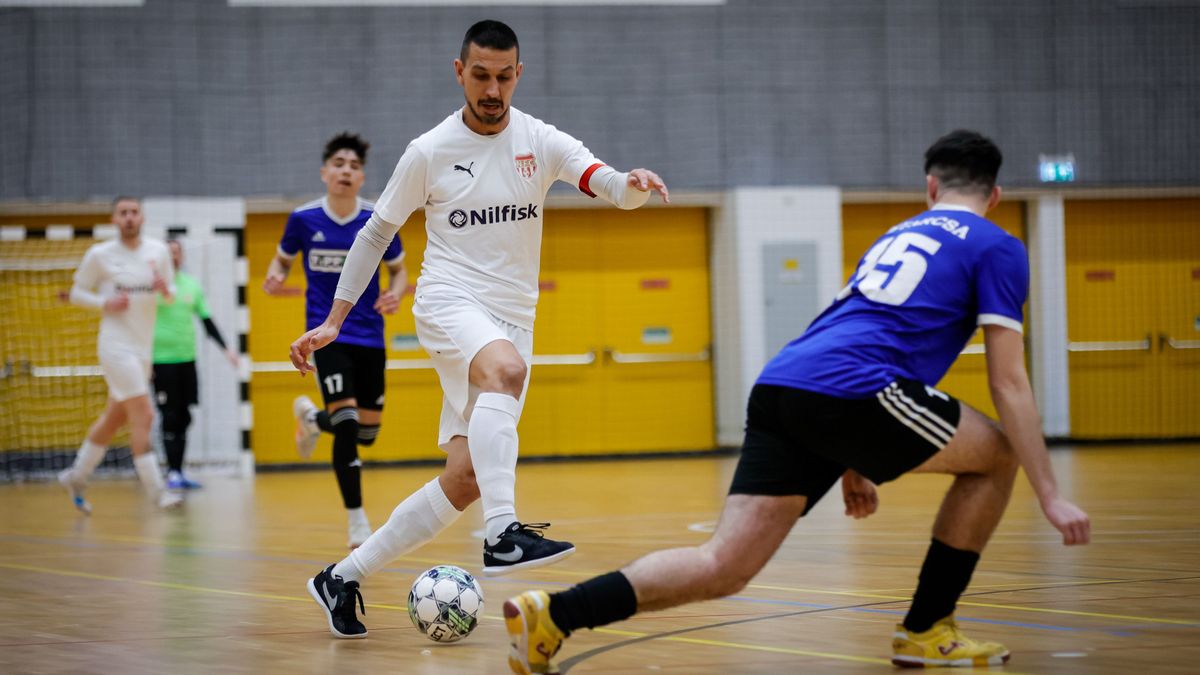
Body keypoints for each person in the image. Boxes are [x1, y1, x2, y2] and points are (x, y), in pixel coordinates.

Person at [502, 130, 1092, 673]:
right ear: (995, 196)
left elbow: (845, 328)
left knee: (723, 565)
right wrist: (1051, 493)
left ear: (931, 188)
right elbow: (1008, 381)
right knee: (998, 455)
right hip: (854, 389)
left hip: (785, 383)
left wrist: (855, 460)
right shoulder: (998, 246)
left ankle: (554, 613)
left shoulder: (896, 236)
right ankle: (926, 629)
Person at [288, 19, 670, 639]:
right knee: (506, 371)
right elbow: (376, 233)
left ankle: (341, 577)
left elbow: (606, 184)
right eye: (481, 76)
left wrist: (633, 185)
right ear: (459, 72)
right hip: (448, 300)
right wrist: (335, 320)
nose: (492, 90)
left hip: (514, 316)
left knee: (464, 479)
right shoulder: (429, 151)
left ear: (518, 74)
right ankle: (502, 534)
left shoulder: (540, 140)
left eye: (504, 77)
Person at [264, 131, 407, 549]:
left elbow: (399, 270)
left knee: (366, 433)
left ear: (362, 177)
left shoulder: (378, 218)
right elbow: (282, 259)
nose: (346, 171)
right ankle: (357, 521)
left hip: (370, 335)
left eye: (355, 166)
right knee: (346, 424)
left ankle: (312, 420)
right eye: (339, 164)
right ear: (325, 172)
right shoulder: (303, 219)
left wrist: (396, 292)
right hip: (325, 333)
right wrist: (275, 274)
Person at [59, 196, 183, 512]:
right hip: (115, 347)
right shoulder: (100, 254)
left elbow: (171, 295)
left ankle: (77, 475)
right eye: (123, 213)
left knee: (115, 417)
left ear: (142, 217)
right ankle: (158, 492)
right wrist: (105, 303)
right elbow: (76, 292)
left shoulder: (158, 251)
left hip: (143, 349)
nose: (129, 217)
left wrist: (165, 291)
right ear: (114, 219)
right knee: (146, 414)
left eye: (134, 212)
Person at [151, 238, 240, 490]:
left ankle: (179, 471)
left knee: (185, 415)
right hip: (160, 362)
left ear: (182, 256)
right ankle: (171, 472)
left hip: (186, 360)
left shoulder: (191, 285)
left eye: (176, 252)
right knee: (169, 416)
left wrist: (227, 349)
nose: (173, 257)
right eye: (168, 253)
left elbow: (206, 321)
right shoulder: (152, 287)